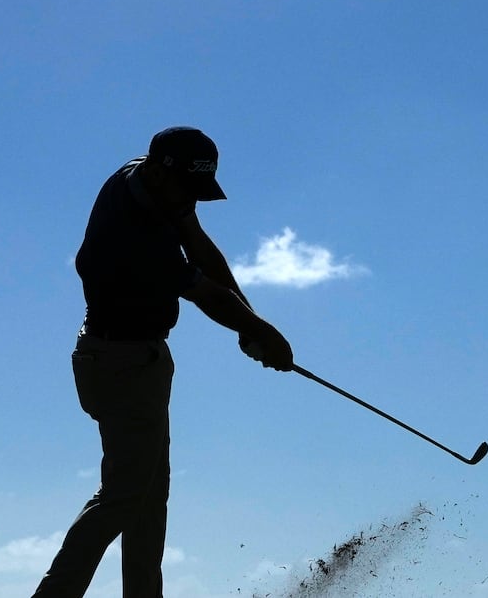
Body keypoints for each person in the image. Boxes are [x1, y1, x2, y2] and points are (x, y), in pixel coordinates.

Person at [31, 127, 294, 598]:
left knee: (150, 500)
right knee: (123, 498)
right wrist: (260, 332)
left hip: (136, 360)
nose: (188, 203)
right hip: (121, 365)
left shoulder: (149, 179)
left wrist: (249, 322)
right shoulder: (132, 235)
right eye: (185, 191)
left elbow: (199, 244)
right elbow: (206, 294)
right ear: (157, 171)